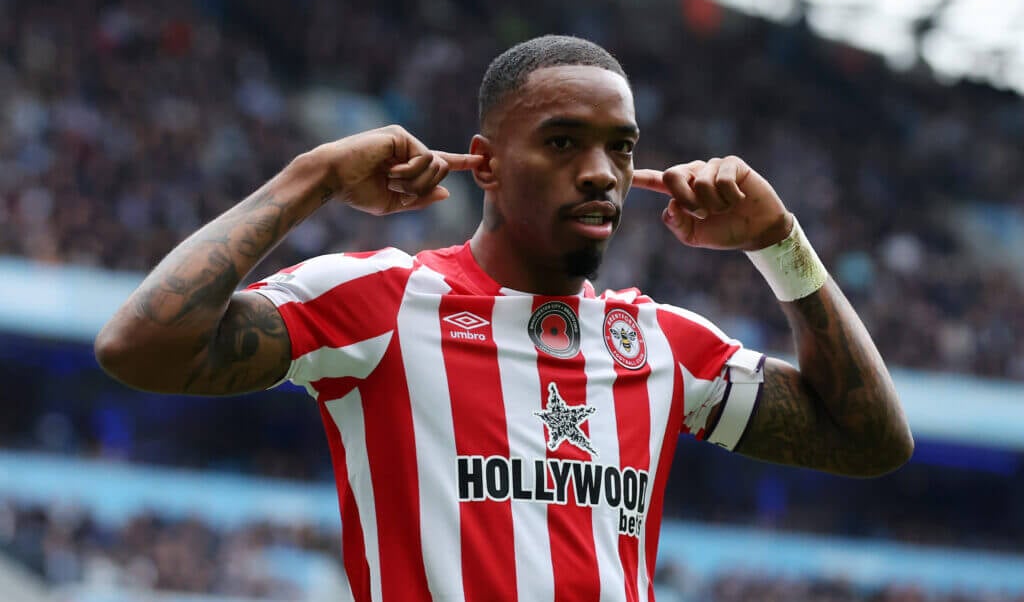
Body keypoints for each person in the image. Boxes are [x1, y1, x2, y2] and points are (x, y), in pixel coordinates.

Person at [95, 35, 913, 601]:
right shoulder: (381, 300)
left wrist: (781, 245)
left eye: (620, 148)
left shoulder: (661, 344)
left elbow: (870, 441)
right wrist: (311, 177)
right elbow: (143, 347)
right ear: (484, 163)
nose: (601, 174)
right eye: (563, 144)